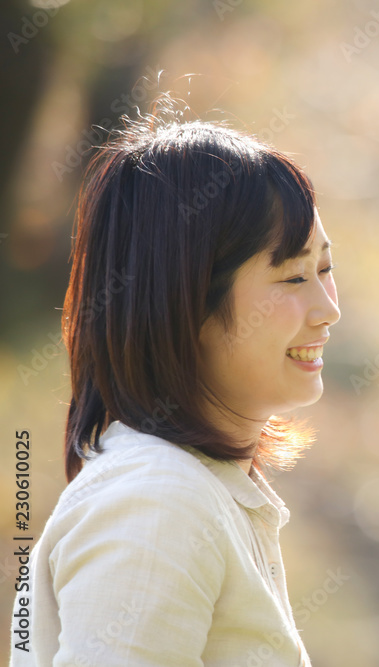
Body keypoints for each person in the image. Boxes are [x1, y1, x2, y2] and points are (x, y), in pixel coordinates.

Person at [10, 110, 339, 666]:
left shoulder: (197, 488)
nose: (327, 310)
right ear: (185, 303)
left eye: (326, 269)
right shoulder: (158, 502)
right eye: (292, 277)